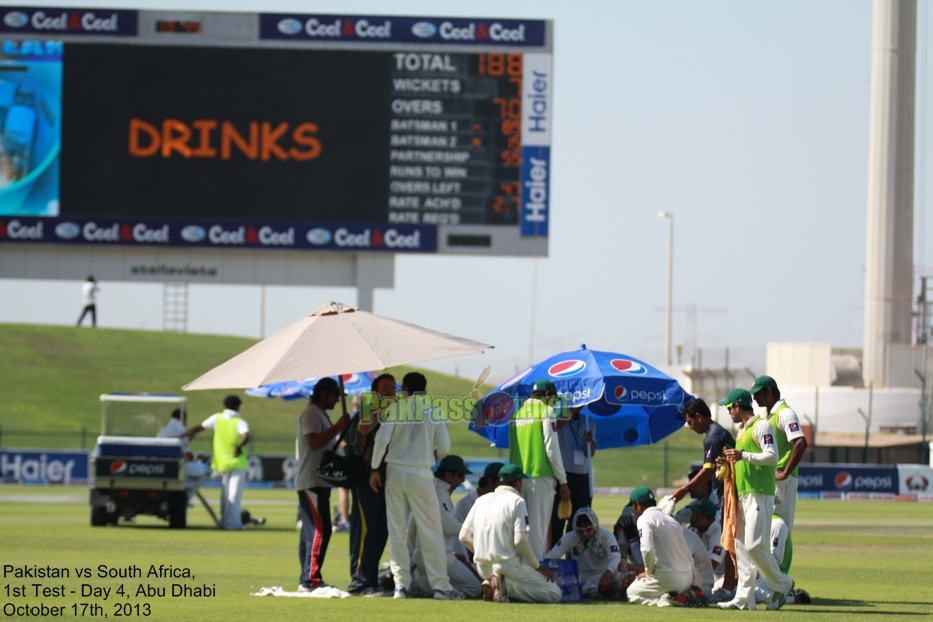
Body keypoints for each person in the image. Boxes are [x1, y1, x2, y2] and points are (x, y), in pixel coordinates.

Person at [370, 372, 462, 600]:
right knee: (430, 529)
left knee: (397, 531)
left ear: (406, 388)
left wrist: (374, 468)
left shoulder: (396, 408)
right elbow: (445, 446)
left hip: (394, 470)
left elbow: (381, 440)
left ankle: (401, 586)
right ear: (425, 387)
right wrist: (434, 454)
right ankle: (441, 586)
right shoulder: (434, 409)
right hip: (420, 471)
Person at [716, 388, 794, 611]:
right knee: (741, 547)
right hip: (743, 493)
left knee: (754, 545)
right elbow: (744, 460)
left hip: (759, 492)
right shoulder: (742, 431)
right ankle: (744, 597)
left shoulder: (762, 426)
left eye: (729, 407)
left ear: (738, 406)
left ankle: (783, 584)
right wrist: (729, 461)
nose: (729, 412)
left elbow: (772, 456)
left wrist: (742, 455)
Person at [459, 464, 562, 604]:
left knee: (520, 580)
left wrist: (483, 553)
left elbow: (463, 537)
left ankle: (493, 583)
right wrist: (538, 567)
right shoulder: (517, 501)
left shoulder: (480, 500)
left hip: (482, 568)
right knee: (554, 593)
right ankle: (506, 585)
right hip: (507, 566)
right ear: (517, 482)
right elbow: (519, 540)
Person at [671, 397, 736, 601]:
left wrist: (684, 489)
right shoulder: (716, 433)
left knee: (730, 539)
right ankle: (732, 584)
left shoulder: (713, 436)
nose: (690, 427)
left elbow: (708, 471)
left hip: (729, 492)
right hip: (725, 491)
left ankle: (728, 587)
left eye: (690, 422)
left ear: (699, 417)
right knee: (731, 538)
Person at [294, 377, 349, 591]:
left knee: (313, 532)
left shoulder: (320, 414)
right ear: (324, 394)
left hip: (318, 481)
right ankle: (311, 580)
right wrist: (337, 427)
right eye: (335, 396)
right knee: (319, 530)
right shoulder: (311, 414)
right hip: (311, 481)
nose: (337, 401)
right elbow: (314, 442)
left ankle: (307, 577)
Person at [508, 379, 570, 558]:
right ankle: (536, 577)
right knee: (538, 533)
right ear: (548, 395)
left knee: (517, 531)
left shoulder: (516, 414)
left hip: (516, 480)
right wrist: (563, 480)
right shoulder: (546, 410)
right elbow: (551, 449)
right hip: (540, 477)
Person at [347, 373, 395, 596]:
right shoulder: (367, 410)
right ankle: (359, 581)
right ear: (375, 391)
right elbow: (365, 429)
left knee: (381, 530)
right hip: (366, 478)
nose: (390, 392)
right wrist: (383, 410)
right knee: (365, 531)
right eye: (385, 388)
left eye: (392, 388)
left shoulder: (392, 414)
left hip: (387, 478)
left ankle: (371, 579)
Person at [411, 455, 483, 598]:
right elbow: (450, 527)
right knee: (474, 589)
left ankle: (423, 581)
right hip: (436, 555)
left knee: (472, 586)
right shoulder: (438, 491)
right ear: (448, 475)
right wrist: (475, 532)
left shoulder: (438, 489)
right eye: (460, 475)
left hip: (433, 553)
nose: (463, 480)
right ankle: (419, 582)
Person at [749, 375, 808, 534]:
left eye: (758, 394)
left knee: (779, 527)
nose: (754, 398)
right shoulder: (767, 416)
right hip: (772, 477)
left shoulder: (785, 413)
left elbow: (801, 442)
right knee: (767, 527)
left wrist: (785, 472)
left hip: (783, 479)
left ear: (769, 391)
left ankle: (781, 560)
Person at [181, 395, 250, 530]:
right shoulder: (239, 421)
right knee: (234, 495)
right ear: (238, 406)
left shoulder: (216, 418)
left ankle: (224, 522)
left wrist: (183, 436)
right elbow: (246, 436)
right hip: (237, 463)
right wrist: (238, 447)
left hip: (222, 462)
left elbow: (198, 428)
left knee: (225, 496)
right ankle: (233, 524)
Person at [625, 486, 694, 607]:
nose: (632, 510)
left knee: (631, 593)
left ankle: (665, 601)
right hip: (687, 579)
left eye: (632, 506)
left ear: (638, 505)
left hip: (670, 578)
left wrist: (649, 572)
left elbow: (647, 549)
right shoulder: (671, 520)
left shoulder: (644, 519)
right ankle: (677, 595)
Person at [544, 506, 626, 599]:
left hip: (603, 576)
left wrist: (608, 573)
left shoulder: (606, 536)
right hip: (579, 580)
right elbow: (552, 556)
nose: (585, 534)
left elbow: (615, 557)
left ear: (595, 526)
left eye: (588, 529)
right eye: (580, 530)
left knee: (619, 570)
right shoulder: (570, 537)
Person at [549, 406, 596, 541]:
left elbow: (590, 453)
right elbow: (557, 426)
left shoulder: (589, 421)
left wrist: (590, 443)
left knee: (579, 520)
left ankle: (574, 557)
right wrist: (571, 411)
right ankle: (553, 556)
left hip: (582, 475)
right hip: (562, 475)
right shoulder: (558, 416)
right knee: (556, 521)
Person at [157, 408, 208, 501]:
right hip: (176, 468)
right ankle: (186, 496)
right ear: (183, 419)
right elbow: (187, 456)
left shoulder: (162, 431)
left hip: (160, 467)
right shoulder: (180, 431)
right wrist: (197, 457)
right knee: (203, 470)